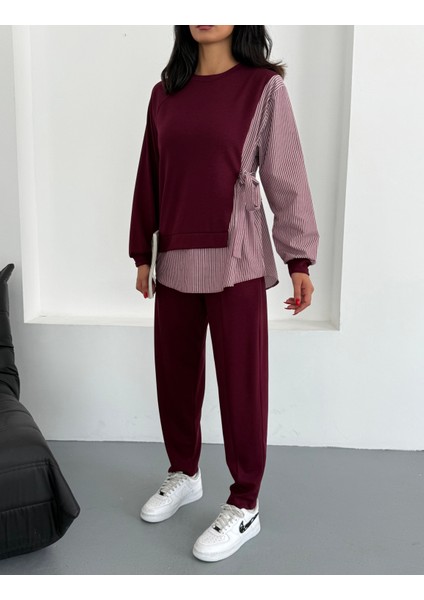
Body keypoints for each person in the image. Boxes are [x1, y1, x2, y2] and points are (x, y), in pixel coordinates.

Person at [128, 25, 320, 562]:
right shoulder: (165, 92)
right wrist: (142, 252)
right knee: (174, 374)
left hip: (237, 258)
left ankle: (245, 502)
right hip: (175, 256)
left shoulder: (263, 87)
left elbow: (286, 175)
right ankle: (184, 472)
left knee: (241, 382)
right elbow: (150, 174)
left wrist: (298, 259)